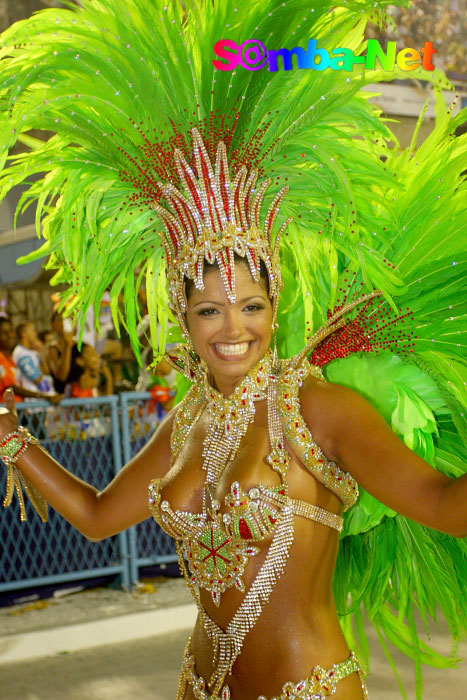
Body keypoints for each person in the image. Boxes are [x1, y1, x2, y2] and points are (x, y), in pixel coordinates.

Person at [0, 2, 465, 699]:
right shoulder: (186, 423)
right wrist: (12, 440)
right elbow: (98, 519)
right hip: (199, 685)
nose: (232, 329)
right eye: (209, 310)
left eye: (250, 307)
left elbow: (443, 503)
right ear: (182, 318)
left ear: (274, 307)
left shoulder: (322, 408)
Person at [0, 318, 61, 405]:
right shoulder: (18, 354)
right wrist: (44, 396)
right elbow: (11, 387)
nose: (10, 335)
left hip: (18, 409)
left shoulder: (10, 357)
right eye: (4, 333)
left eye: (10, 331)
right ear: (24, 334)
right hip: (8, 411)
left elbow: (46, 373)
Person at [13, 322, 56, 396]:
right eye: (33, 330)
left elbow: (47, 372)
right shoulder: (21, 353)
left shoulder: (33, 352)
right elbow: (37, 379)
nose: (35, 333)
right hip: (30, 401)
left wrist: (41, 352)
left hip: (40, 398)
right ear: (24, 334)